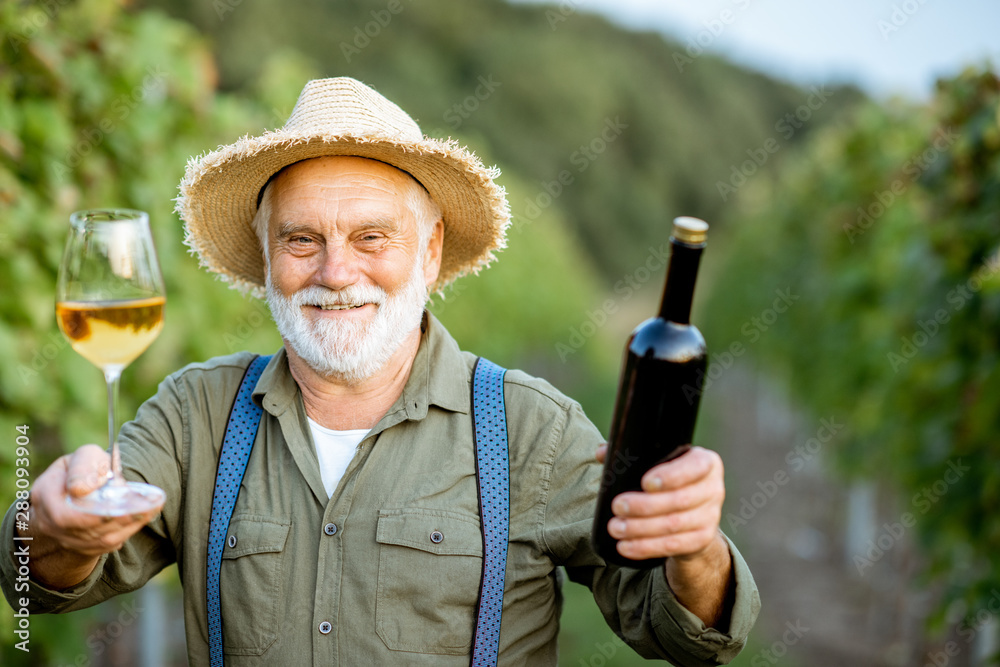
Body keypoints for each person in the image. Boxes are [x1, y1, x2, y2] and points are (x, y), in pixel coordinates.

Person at [2, 78, 759, 665]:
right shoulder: (196, 411)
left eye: (372, 236)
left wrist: (694, 547)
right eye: (302, 239)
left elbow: (687, 639)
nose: (336, 271)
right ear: (267, 258)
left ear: (429, 251)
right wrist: (49, 527)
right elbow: (34, 590)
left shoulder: (531, 427)